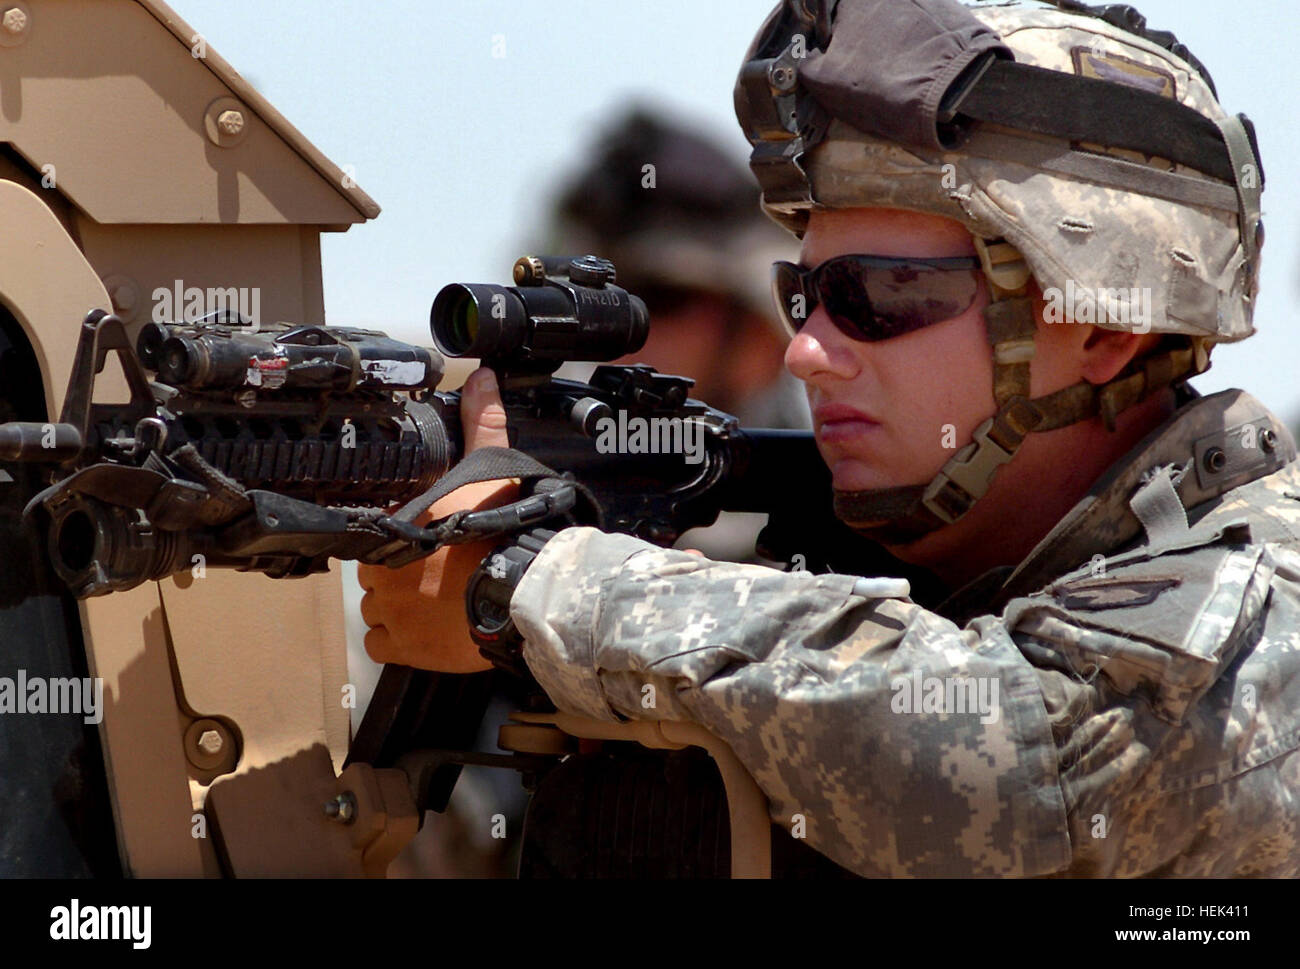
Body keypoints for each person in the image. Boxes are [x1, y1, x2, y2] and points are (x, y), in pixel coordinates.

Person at [360, 0, 1300, 877]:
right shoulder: (905, 573)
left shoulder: (1258, 597)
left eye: (877, 295)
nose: (807, 350)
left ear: (1104, 327)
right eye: (804, 296)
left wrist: (526, 588)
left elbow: (1024, 765)